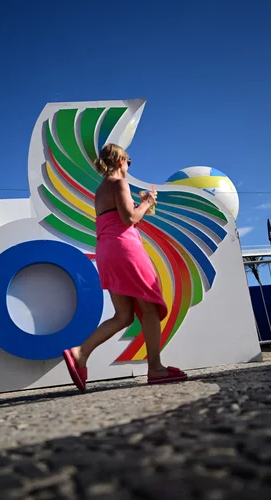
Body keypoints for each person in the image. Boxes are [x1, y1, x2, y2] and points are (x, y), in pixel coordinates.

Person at [62, 144, 187, 391]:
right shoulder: (119, 183)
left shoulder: (101, 189)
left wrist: (140, 206)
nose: (129, 165)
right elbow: (129, 218)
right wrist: (147, 202)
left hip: (107, 251)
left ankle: (80, 353)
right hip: (125, 249)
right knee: (149, 308)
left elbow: (119, 216)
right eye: (129, 161)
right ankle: (156, 368)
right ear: (120, 160)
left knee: (123, 315)